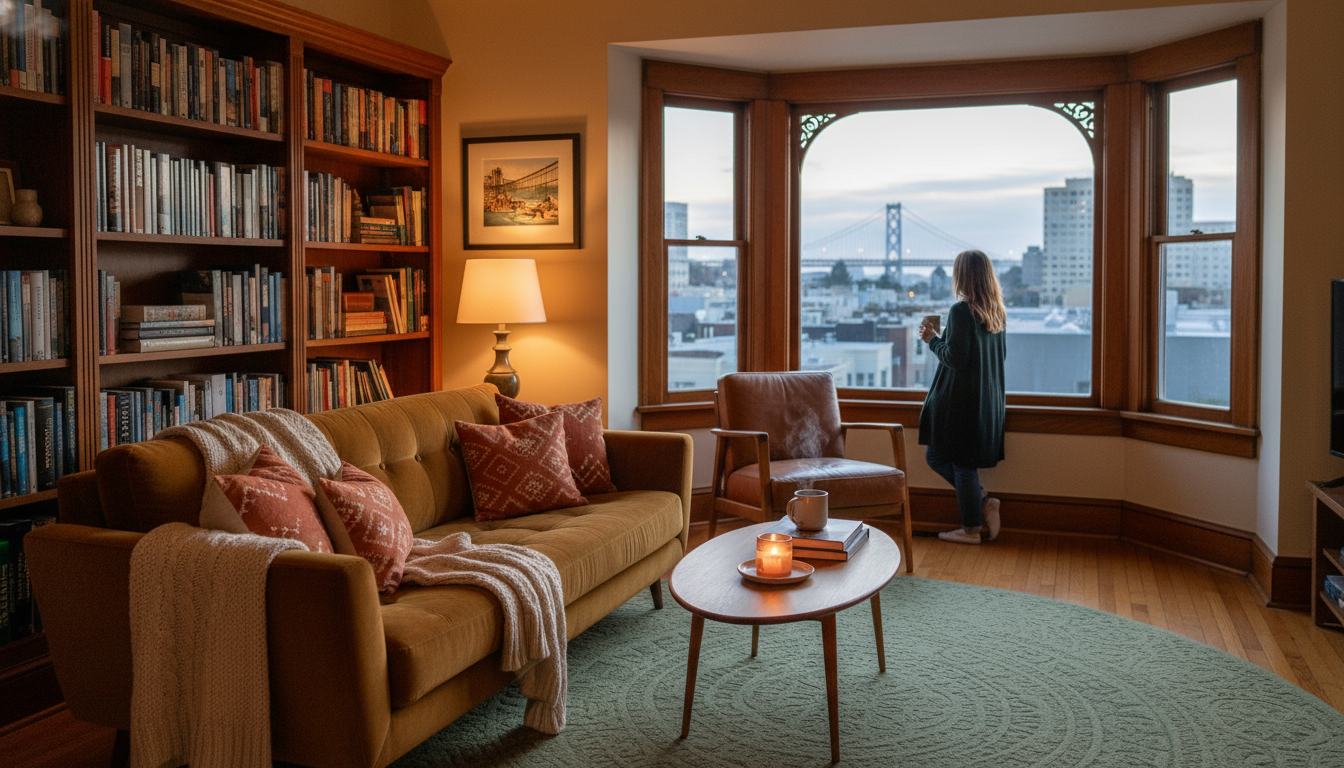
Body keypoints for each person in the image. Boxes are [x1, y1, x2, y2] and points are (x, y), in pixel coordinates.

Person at [917, 249, 1007, 545]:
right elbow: (992, 356)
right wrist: (945, 339)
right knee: (947, 460)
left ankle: (970, 529)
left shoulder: (960, 311)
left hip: (962, 404)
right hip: (988, 403)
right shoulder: (997, 312)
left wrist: (932, 340)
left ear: (961, 276)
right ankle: (983, 501)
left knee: (959, 465)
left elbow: (955, 359)